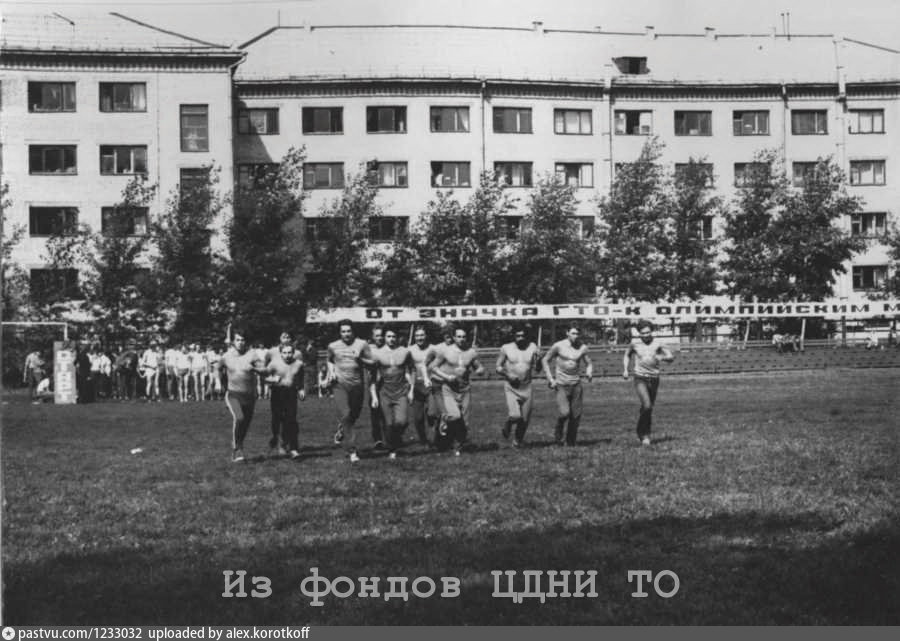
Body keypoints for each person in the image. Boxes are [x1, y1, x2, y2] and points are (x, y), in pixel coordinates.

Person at [429, 326, 485, 455]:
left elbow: (479, 367)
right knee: (455, 416)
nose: (461, 339)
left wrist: (480, 370)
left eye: (464, 337)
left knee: (464, 422)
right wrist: (446, 377)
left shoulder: (471, 352)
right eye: (459, 336)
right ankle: (444, 421)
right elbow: (432, 367)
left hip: (465, 390)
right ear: (454, 338)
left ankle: (458, 447)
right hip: (449, 388)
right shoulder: (446, 351)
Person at [326, 319, 373, 462]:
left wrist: (361, 359)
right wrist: (332, 372)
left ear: (353, 332)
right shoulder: (333, 346)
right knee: (346, 414)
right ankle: (352, 451)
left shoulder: (362, 344)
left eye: (348, 331)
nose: (346, 334)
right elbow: (329, 360)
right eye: (343, 331)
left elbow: (372, 363)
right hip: (340, 385)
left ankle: (342, 428)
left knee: (353, 415)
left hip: (357, 385)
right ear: (340, 333)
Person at [622, 319, 675, 446]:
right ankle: (644, 434)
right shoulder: (634, 344)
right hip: (640, 377)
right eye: (643, 333)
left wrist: (662, 357)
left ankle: (644, 433)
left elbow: (671, 357)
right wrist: (625, 369)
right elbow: (626, 355)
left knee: (648, 408)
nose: (645, 335)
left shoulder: (658, 343)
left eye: (647, 332)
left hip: (654, 378)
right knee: (647, 405)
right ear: (639, 333)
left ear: (651, 332)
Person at [541, 323, 593, 446]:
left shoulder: (582, 347)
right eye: (573, 333)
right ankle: (559, 429)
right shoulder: (558, 346)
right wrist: (550, 379)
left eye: (577, 334)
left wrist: (589, 372)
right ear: (567, 333)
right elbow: (545, 360)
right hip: (561, 384)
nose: (576, 336)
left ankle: (571, 442)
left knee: (576, 415)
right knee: (565, 413)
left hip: (576, 385)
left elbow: (589, 363)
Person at [222, 328, 268, 463]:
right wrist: (219, 383)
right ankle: (237, 448)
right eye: (238, 340)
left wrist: (255, 369)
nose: (240, 342)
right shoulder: (227, 356)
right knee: (239, 418)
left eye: (243, 340)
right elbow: (217, 367)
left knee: (245, 423)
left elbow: (264, 370)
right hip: (233, 394)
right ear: (233, 341)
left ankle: (239, 445)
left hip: (249, 395)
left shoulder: (252, 355)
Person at [370, 327, 416, 459]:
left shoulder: (405, 352)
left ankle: (395, 439)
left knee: (402, 422)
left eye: (394, 336)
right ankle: (392, 449)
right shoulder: (377, 354)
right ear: (384, 338)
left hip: (401, 392)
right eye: (388, 336)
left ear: (398, 338)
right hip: (384, 393)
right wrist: (374, 396)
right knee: (389, 424)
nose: (391, 339)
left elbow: (412, 369)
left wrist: (411, 390)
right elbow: (372, 378)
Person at [495, 324, 541, 447]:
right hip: (511, 387)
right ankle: (508, 424)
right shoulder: (506, 348)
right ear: (513, 336)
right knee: (515, 415)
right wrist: (507, 374)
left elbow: (538, 369)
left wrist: (539, 360)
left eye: (522, 336)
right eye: (517, 336)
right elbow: (498, 367)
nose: (520, 338)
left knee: (524, 419)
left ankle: (517, 442)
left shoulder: (533, 347)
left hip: (527, 387)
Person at [264, 342, 306, 459]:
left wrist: (301, 389)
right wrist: (273, 379)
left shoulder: (299, 364)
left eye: (289, 352)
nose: (287, 355)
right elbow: (264, 377)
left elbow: (300, 378)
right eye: (285, 353)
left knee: (291, 420)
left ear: (293, 353)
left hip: (291, 393)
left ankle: (293, 448)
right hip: (277, 393)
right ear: (281, 353)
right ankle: (276, 437)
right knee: (277, 419)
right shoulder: (274, 364)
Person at [408, 326, 439, 446]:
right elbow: (406, 369)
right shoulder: (410, 350)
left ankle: (436, 437)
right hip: (416, 385)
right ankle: (423, 439)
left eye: (422, 335)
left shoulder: (433, 349)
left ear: (426, 336)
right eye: (417, 335)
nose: (419, 338)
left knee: (432, 413)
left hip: (431, 384)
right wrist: (410, 385)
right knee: (418, 417)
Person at [367, 325, 388, 449]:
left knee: (388, 413)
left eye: (381, 335)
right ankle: (378, 439)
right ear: (373, 337)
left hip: (388, 384)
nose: (379, 338)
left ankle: (391, 437)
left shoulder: (388, 348)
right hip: (373, 384)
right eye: (377, 335)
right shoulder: (369, 349)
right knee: (375, 411)